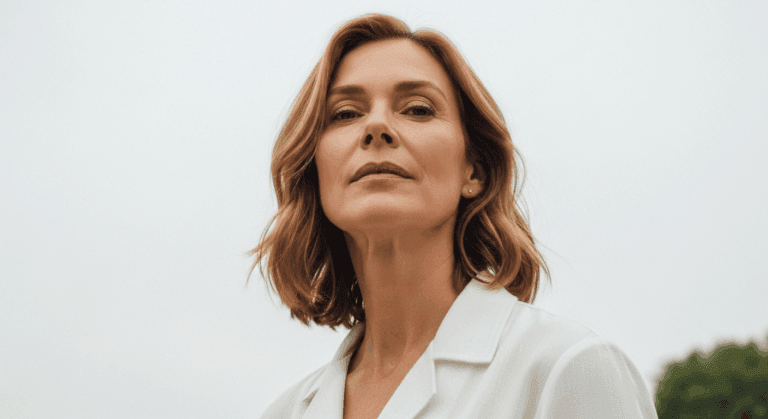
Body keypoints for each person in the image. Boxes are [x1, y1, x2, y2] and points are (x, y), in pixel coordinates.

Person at [254, 13, 658, 419]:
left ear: (475, 171)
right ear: (315, 169)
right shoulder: (284, 413)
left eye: (417, 109)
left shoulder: (565, 369)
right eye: (345, 113)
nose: (376, 126)